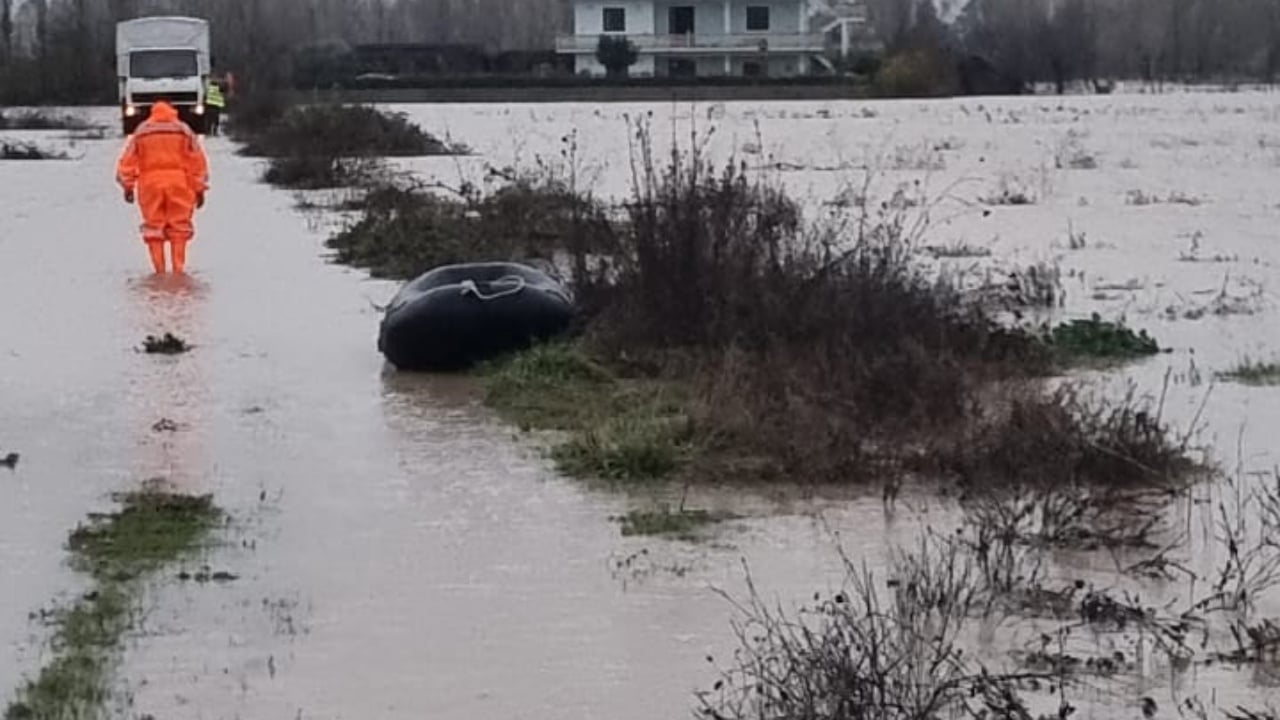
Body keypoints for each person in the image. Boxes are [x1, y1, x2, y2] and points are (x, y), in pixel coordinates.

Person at [115, 100, 210, 274]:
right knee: (179, 227)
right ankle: (178, 271)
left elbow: (127, 161)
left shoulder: (142, 131)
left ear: (153, 112)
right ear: (173, 111)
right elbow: (198, 161)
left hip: (150, 184)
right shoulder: (183, 130)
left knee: (153, 228)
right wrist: (200, 188)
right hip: (180, 183)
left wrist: (127, 186)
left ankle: (159, 272)